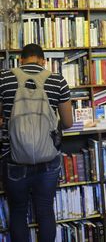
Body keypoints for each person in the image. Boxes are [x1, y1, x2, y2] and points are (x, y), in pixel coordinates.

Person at [0, 44, 73, 241]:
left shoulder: (4, 79)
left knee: (18, 212)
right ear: (43, 61)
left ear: (21, 60)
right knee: (45, 210)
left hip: (14, 158)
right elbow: (67, 123)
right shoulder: (57, 80)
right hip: (48, 159)